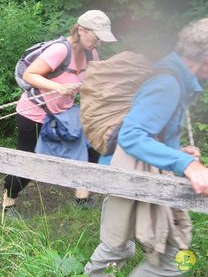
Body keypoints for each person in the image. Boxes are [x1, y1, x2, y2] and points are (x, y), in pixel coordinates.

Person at [84, 19, 208, 276]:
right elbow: (132, 136)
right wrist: (189, 165)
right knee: (172, 258)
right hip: (131, 174)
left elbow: (150, 130)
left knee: (119, 247)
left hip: (136, 171)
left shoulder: (174, 78)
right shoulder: (168, 83)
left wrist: (177, 152)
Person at [3, 10, 117, 215]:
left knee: (91, 146)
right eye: (97, 37)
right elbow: (30, 75)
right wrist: (58, 88)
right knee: (29, 161)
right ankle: (8, 203)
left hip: (63, 113)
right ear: (81, 30)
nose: (99, 42)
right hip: (34, 113)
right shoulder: (59, 50)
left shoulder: (92, 54)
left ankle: (82, 196)